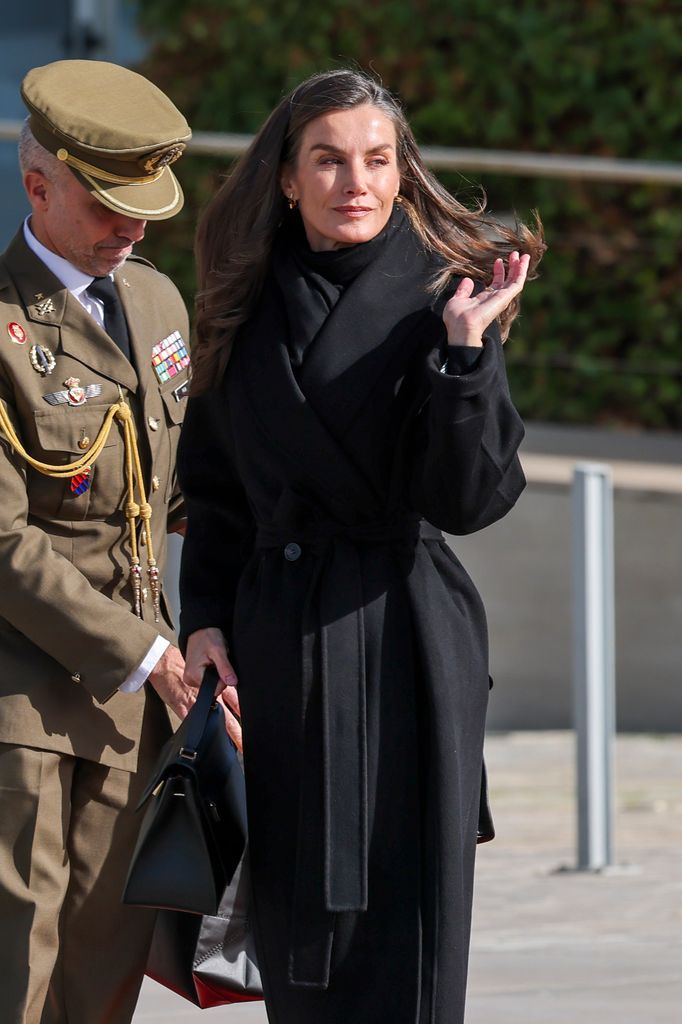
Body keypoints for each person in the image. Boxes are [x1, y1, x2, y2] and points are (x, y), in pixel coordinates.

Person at [179, 69, 544, 1024]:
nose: (357, 183)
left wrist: (464, 356)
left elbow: (470, 500)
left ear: (402, 173)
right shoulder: (238, 302)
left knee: (411, 941)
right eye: (329, 160)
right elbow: (214, 495)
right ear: (287, 178)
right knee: (300, 943)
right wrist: (204, 618)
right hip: (279, 648)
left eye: (378, 161)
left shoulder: (446, 296)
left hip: (405, 640)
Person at [0, 60, 204, 1024]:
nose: (132, 229)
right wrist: (149, 654)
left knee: (101, 980)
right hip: (22, 701)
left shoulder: (157, 302)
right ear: (37, 186)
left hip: (134, 708)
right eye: (107, 206)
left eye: (145, 208)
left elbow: (178, 490)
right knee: (18, 972)